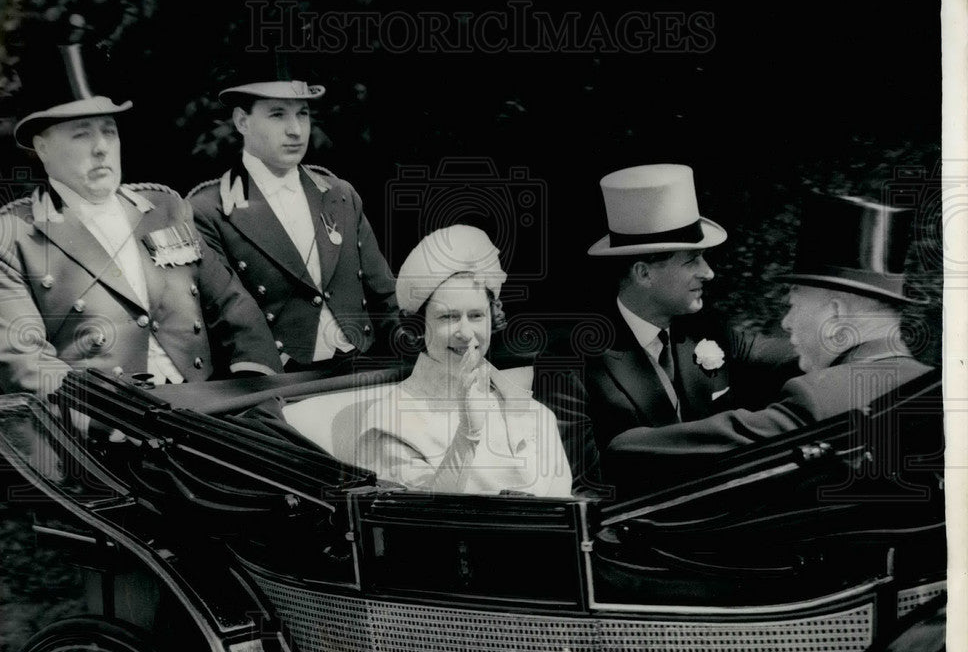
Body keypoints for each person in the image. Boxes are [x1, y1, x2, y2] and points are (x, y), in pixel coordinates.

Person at [0, 44, 282, 398]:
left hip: (209, 409)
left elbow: (233, 304)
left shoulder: (164, 209)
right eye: (82, 134)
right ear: (43, 148)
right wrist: (113, 418)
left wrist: (254, 383)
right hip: (107, 431)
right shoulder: (12, 237)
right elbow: (25, 361)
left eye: (109, 131)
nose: (101, 147)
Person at [604, 191, 933, 486]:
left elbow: (628, 451)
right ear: (641, 273)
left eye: (792, 306)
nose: (786, 323)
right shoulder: (931, 383)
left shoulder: (820, 399)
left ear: (834, 315)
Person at [533, 164, 797, 482]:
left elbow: (788, 357)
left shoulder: (706, 329)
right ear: (644, 273)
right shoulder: (569, 362)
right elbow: (582, 488)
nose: (708, 272)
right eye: (692, 260)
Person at [187, 53, 398, 375]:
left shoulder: (339, 194)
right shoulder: (210, 210)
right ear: (242, 121)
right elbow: (230, 320)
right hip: (279, 379)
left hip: (364, 367)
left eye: (303, 114)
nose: (296, 130)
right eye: (277, 115)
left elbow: (384, 295)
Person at [355, 226, 573, 496]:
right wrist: (467, 433)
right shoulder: (389, 421)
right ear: (418, 326)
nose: (466, 333)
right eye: (448, 317)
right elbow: (420, 519)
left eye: (477, 316)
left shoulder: (537, 414)